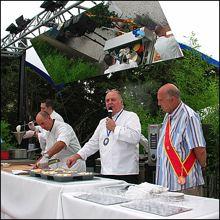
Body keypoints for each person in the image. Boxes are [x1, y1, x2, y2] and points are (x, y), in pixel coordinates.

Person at [66, 89, 141, 184]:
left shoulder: (131, 116)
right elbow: (93, 143)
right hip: (106, 173)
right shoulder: (102, 122)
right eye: (107, 100)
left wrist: (115, 128)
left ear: (121, 102)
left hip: (126, 173)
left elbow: (135, 137)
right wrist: (77, 156)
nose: (110, 102)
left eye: (113, 100)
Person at [156, 83, 206, 196]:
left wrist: (203, 166)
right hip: (166, 185)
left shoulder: (189, 116)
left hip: (185, 186)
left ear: (172, 100)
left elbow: (200, 149)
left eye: (161, 100)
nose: (159, 104)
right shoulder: (168, 116)